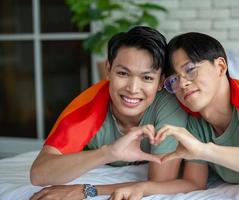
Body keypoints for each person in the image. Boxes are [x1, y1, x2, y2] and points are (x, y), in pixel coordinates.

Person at [106, 32, 239, 200]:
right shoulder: (195, 123)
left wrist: (205, 151)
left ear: (220, 66)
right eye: (174, 79)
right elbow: (193, 183)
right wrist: (140, 188)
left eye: (190, 70)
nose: (182, 84)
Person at [29, 26, 187, 199]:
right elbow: (38, 173)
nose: (133, 89)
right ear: (108, 70)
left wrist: (86, 190)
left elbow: (160, 182)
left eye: (147, 78)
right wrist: (108, 152)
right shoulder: (89, 105)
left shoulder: (168, 104)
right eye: (123, 73)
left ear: (160, 82)